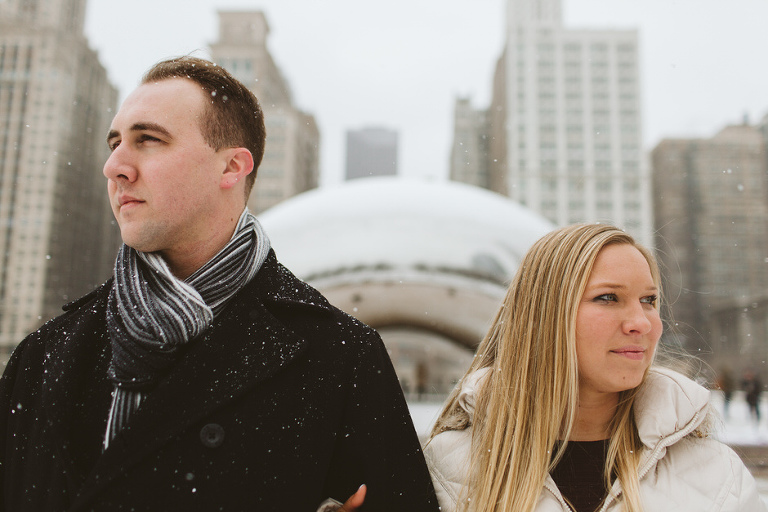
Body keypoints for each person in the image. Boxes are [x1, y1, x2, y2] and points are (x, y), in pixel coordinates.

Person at [0, 56, 438, 512]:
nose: (115, 167)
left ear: (231, 168)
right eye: (115, 143)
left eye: (147, 140)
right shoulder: (44, 356)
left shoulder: (340, 358)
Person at [425, 223, 764, 512]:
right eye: (608, 298)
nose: (642, 323)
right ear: (544, 316)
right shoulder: (442, 470)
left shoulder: (717, 475)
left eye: (649, 300)